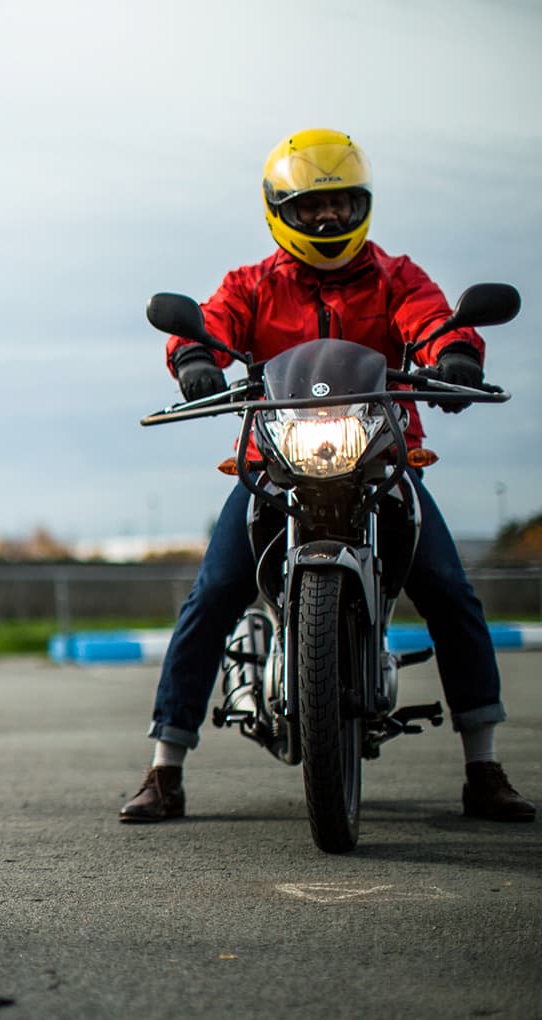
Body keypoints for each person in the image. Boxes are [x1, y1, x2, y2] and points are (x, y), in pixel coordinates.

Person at [119, 128, 535, 825]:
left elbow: (431, 322)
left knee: (451, 592)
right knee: (214, 592)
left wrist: (455, 352)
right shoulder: (252, 285)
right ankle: (165, 768)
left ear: (362, 206)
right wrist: (195, 358)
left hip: (381, 459)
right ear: (280, 208)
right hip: (275, 465)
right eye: (312, 206)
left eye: (342, 205)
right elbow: (208, 324)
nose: (328, 220)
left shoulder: (396, 277)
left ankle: (483, 766)